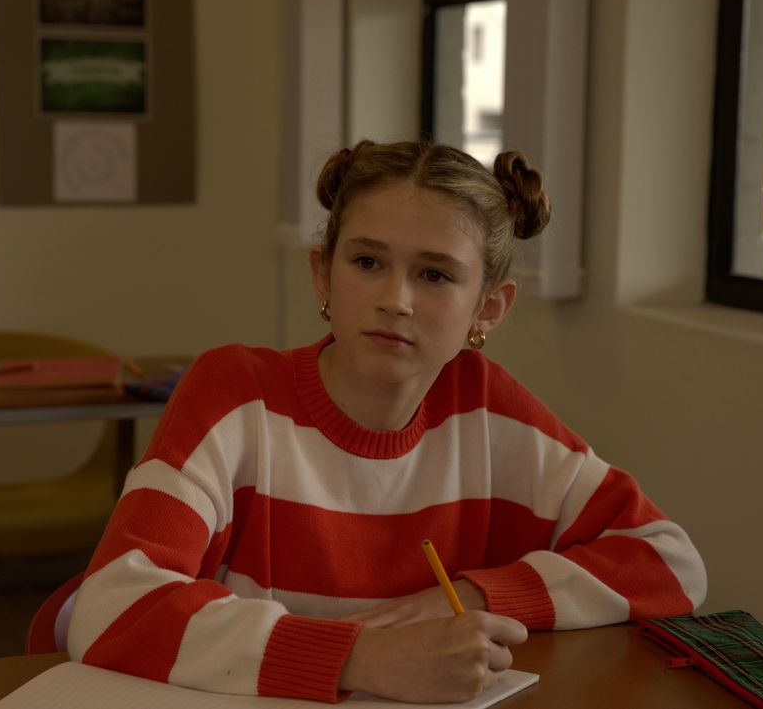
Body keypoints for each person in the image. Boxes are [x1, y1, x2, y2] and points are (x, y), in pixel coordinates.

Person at [66, 140, 707, 703]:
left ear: (489, 307)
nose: (394, 300)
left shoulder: (490, 409)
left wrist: (473, 598)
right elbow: (108, 605)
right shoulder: (237, 393)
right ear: (323, 272)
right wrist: (362, 656)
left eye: (433, 275)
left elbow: (670, 563)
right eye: (367, 262)